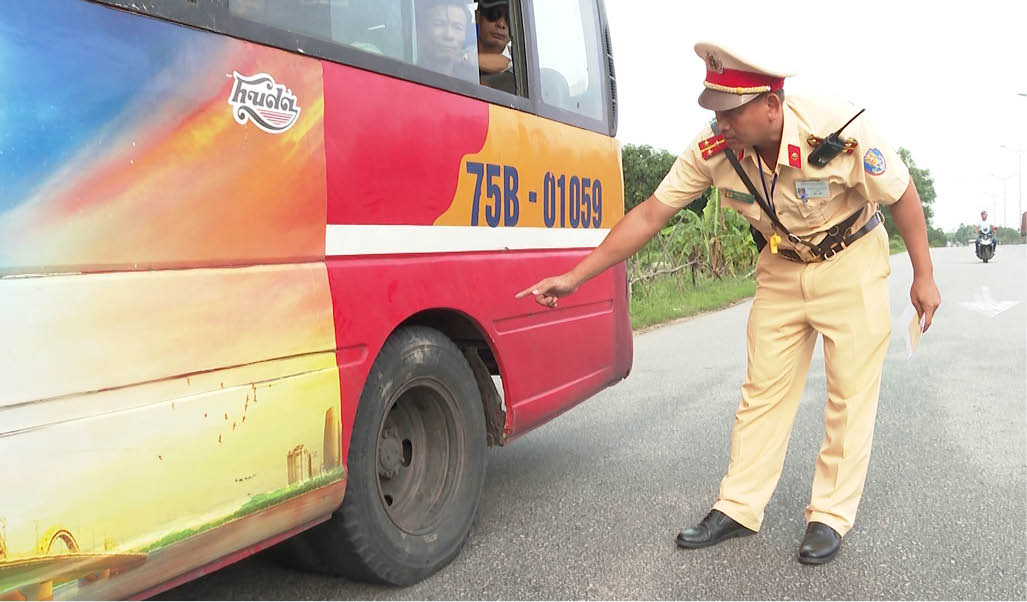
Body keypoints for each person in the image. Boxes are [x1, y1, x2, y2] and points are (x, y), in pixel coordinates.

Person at [516, 42, 941, 565]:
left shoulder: (836, 127)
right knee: (762, 389)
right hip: (783, 267)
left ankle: (830, 514)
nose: (719, 123)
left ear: (771, 105)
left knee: (849, 393)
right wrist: (575, 276)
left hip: (850, 260)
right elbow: (651, 215)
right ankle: (739, 506)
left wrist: (923, 274)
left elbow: (900, 194)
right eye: (714, 111)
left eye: (730, 111)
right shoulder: (712, 149)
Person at [417, 0, 477, 83]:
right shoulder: (404, 75)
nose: (449, 35)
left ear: (465, 36)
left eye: (458, 27)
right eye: (438, 24)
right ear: (420, 31)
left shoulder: (472, 83)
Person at [475, 0, 514, 90]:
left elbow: (505, 62)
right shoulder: (457, 48)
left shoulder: (522, 63)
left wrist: (466, 59)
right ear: (477, 17)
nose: (501, 24)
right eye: (494, 14)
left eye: (510, 19)